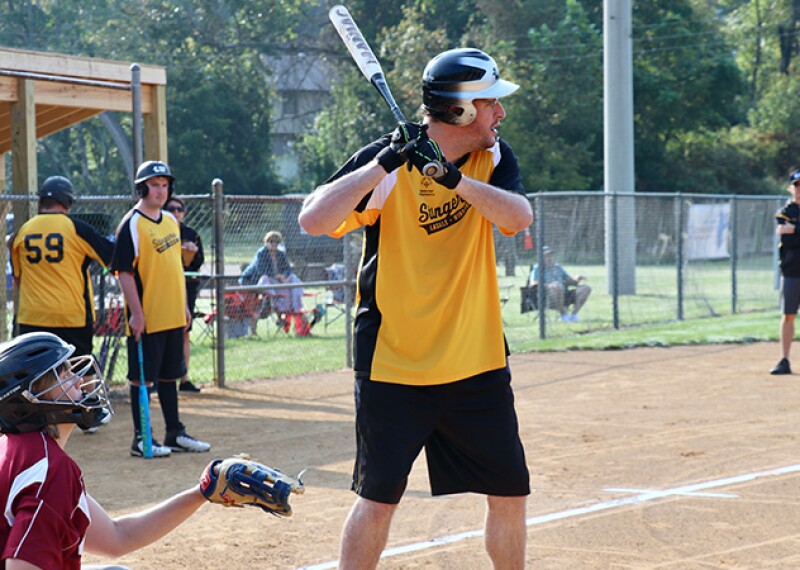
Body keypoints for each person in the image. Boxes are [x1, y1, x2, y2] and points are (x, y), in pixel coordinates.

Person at [298, 48, 533, 568]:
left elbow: (518, 218)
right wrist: (384, 163)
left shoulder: (492, 158)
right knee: (378, 500)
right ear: (464, 110)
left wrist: (454, 182)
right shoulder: (388, 161)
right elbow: (313, 219)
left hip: (476, 360)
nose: (501, 114)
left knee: (511, 493)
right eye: (492, 104)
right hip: (394, 364)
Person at [0, 332, 225, 570]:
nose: (79, 381)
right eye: (64, 375)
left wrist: (202, 493)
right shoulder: (49, 468)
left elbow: (118, 537)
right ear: (31, 397)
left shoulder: (19, 449)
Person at [112, 160, 211, 457]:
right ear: (142, 188)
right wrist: (137, 314)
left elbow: (175, 267)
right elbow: (124, 273)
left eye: (165, 185)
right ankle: (142, 438)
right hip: (149, 318)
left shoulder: (170, 220)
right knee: (142, 379)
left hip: (172, 314)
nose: (161, 190)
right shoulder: (132, 222)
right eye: (154, 185)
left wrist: (182, 305)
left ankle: (174, 433)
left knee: (170, 376)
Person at [10, 175, 114, 433]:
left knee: (33, 372)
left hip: (32, 314)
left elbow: (19, 277)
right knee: (80, 365)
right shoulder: (75, 227)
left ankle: (31, 417)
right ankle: (90, 413)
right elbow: (111, 258)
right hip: (69, 313)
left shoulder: (23, 230)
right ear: (67, 201)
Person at [164, 196, 204, 392]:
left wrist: (192, 253)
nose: (176, 212)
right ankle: (160, 378)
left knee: (184, 332)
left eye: (180, 209)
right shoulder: (159, 230)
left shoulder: (190, 233)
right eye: (171, 209)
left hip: (187, 287)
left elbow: (198, 263)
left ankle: (184, 378)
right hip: (164, 287)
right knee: (164, 332)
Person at [239, 230, 312, 337]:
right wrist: (276, 276)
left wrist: (283, 276)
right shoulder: (261, 253)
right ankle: (259, 325)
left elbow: (288, 269)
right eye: (271, 241)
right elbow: (261, 271)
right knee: (261, 304)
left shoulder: (280, 253)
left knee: (292, 278)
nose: (274, 244)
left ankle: (292, 305)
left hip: (275, 282)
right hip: (255, 282)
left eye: (276, 242)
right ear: (266, 242)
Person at [771, 169, 800, 375]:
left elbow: (792, 234)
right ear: (791, 188)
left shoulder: (791, 219)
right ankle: (784, 359)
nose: (799, 190)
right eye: (797, 186)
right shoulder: (785, 212)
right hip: (792, 270)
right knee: (788, 314)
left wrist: (796, 229)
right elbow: (786, 238)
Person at [528, 246, 591, 322]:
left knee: (586, 288)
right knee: (556, 286)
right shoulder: (537, 268)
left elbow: (571, 282)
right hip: (548, 296)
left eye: (550, 255)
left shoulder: (558, 267)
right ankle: (564, 315)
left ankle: (573, 315)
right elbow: (533, 283)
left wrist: (577, 278)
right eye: (546, 256)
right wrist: (548, 285)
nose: (549, 258)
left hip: (564, 294)